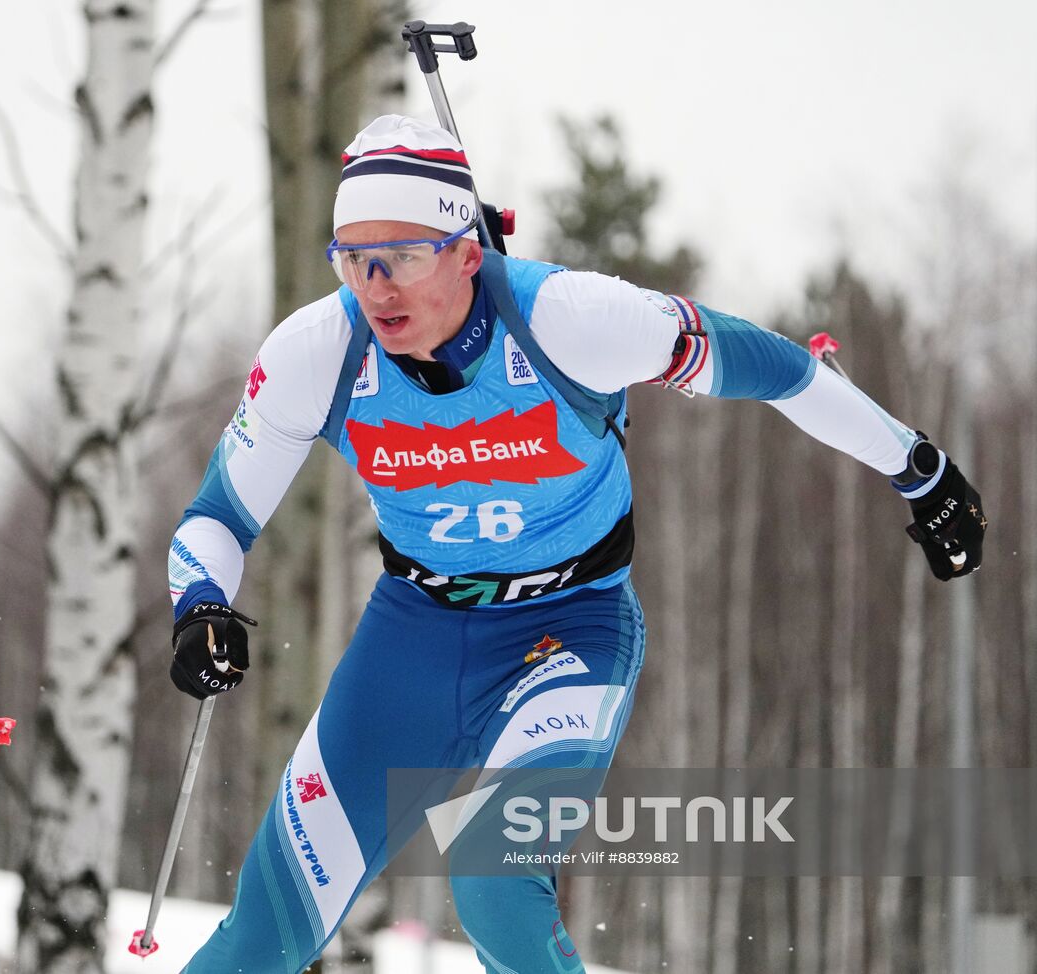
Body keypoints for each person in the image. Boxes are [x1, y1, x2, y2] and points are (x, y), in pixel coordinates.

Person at [163, 115, 986, 974]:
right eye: (352, 258)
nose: (375, 287)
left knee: (493, 877)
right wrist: (200, 608)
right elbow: (217, 514)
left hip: (572, 632)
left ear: (466, 251)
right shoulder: (316, 353)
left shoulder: (571, 319)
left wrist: (919, 470)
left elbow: (778, 367)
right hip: (413, 638)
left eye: (403, 255)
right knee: (261, 937)